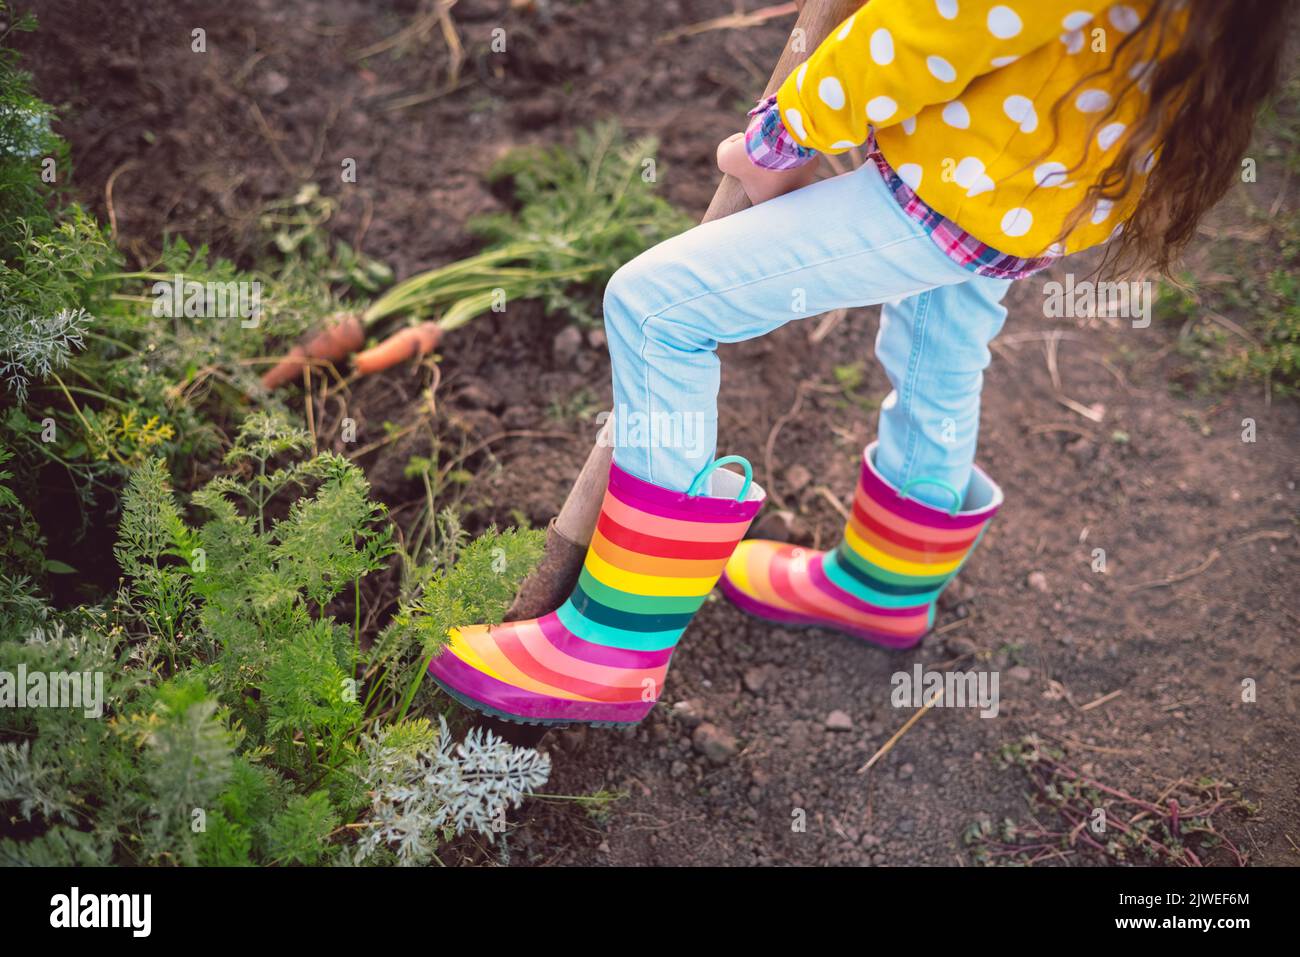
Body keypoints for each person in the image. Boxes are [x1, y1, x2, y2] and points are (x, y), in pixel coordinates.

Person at [427, 0, 1293, 725]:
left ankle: (615, 645)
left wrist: (784, 134)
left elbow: (932, 27)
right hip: (1044, 182)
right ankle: (883, 584)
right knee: (939, 326)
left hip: (974, 176)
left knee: (655, 306)